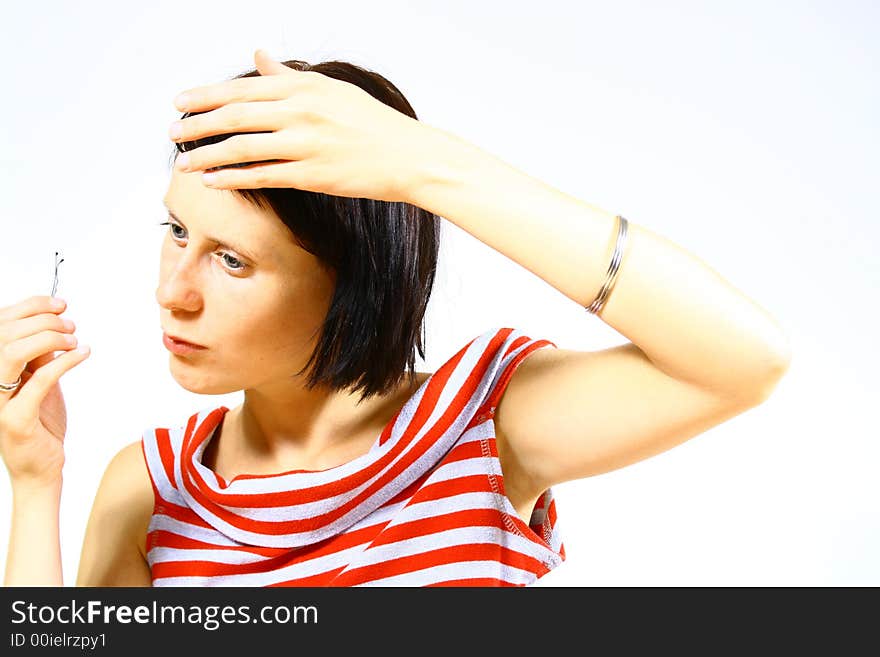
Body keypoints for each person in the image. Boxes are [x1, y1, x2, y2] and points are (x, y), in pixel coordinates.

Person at [1, 49, 792, 587]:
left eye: (232, 260)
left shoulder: (480, 426)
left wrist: (425, 166)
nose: (172, 291)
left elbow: (744, 359)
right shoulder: (151, 490)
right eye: (177, 231)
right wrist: (36, 486)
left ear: (353, 283)